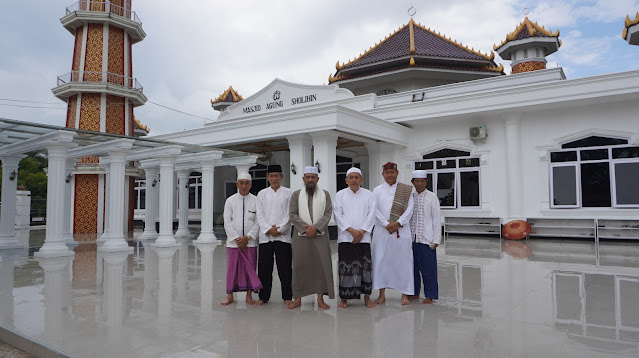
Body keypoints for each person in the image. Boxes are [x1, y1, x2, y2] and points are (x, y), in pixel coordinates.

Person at [287, 166, 334, 310]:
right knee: (300, 267)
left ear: (317, 179)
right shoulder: (296, 195)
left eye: (313, 177)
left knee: (321, 266)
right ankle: (298, 298)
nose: (310, 180)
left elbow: (328, 213)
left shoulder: (325, 194)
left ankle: (320, 299)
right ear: (303, 179)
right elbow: (293, 214)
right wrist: (306, 228)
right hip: (301, 236)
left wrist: (316, 228)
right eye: (307, 177)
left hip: (320, 236)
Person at [371, 162, 415, 305]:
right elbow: (374, 210)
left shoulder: (407, 190)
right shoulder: (376, 191)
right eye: (387, 173)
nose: (389, 175)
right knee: (381, 262)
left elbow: (410, 209)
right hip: (382, 233)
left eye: (392, 172)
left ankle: (405, 294)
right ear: (383, 174)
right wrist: (386, 224)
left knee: (403, 262)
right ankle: (381, 294)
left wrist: (398, 223)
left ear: (397, 173)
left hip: (401, 232)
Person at [333, 167, 376, 309]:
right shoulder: (340, 195)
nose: (354, 180)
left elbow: (372, 214)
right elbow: (337, 215)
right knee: (346, 269)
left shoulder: (369, 195)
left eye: (356, 177)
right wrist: (352, 231)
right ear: (346, 180)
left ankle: (367, 297)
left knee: (365, 269)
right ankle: (344, 298)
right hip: (346, 238)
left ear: (361, 180)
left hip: (364, 239)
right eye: (351, 177)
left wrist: (362, 232)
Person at [220, 173, 262, 306]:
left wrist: (248, 237)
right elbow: (227, 221)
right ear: (237, 184)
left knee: (250, 268)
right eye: (241, 183)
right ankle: (230, 295)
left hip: (250, 242)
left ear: (250, 185)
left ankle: (249, 296)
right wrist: (237, 239)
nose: (244, 186)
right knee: (232, 268)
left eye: (246, 183)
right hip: (234, 243)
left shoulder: (256, 201)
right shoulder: (230, 200)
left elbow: (258, 221)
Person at [255, 164, 293, 306]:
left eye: (276, 175)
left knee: (285, 268)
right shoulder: (261, 194)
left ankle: (288, 296)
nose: (274, 178)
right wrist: (268, 229)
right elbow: (260, 214)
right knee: (264, 268)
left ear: (281, 177)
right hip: (266, 237)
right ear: (267, 177)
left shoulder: (289, 193)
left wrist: (280, 228)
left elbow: (290, 213)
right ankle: (263, 297)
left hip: (283, 236)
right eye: (271, 176)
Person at [409, 170, 441, 304]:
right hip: (411, 239)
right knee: (412, 268)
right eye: (417, 181)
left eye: (422, 181)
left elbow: (437, 218)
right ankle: (414, 293)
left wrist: (436, 239)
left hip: (427, 239)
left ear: (426, 182)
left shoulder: (432, 196)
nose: (420, 183)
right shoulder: (410, 196)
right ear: (413, 182)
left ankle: (430, 295)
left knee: (429, 269)